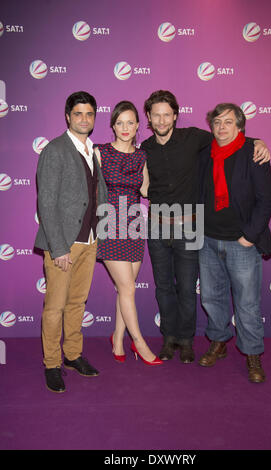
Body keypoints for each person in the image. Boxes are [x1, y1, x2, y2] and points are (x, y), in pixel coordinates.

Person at [141, 90, 271, 363]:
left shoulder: (196, 139)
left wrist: (258, 141)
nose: (162, 120)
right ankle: (179, 340)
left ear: (175, 116)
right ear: (149, 119)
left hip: (204, 232)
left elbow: (232, 142)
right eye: (157, 115)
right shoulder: (149, 149)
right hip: (174, 231)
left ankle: (207, 346)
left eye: (167, 114)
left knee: (201, 292)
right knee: (181, 292)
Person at [35, 91, 108, 392]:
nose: (84, 119)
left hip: (89, 240)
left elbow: (96, 194)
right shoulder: (55, 150)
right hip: (64, 244)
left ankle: (73, 355)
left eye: (89, 114)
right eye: (78, 113)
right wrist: (59, 247)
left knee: (77, 303)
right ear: (68, 116)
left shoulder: (92, 150)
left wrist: (99, 233)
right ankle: (52, 363)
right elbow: (46, 203)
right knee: (55, 307)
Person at [197, 103, 271, 383]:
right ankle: (219, 342)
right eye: (217, 122)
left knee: (248, 304)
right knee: (211, 297)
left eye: (228, 122)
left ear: (240, 126)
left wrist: (249, 237)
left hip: (241, 243)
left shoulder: (253, 152)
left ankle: (253, 354)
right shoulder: (206, 153)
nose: (221, 127)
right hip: (207, 240)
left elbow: (267, 200)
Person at [94, 101, 162, 365]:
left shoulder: (141, 156)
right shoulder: (100, 152)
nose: (125, 127)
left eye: (130, 122)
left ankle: (118, 339)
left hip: (134, 226)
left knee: (126, 290)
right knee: (128, 288)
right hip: (110, 224)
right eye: (119, 122)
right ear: (112, 125)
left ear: (137, 126)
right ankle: (140, 343)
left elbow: (145, 190)